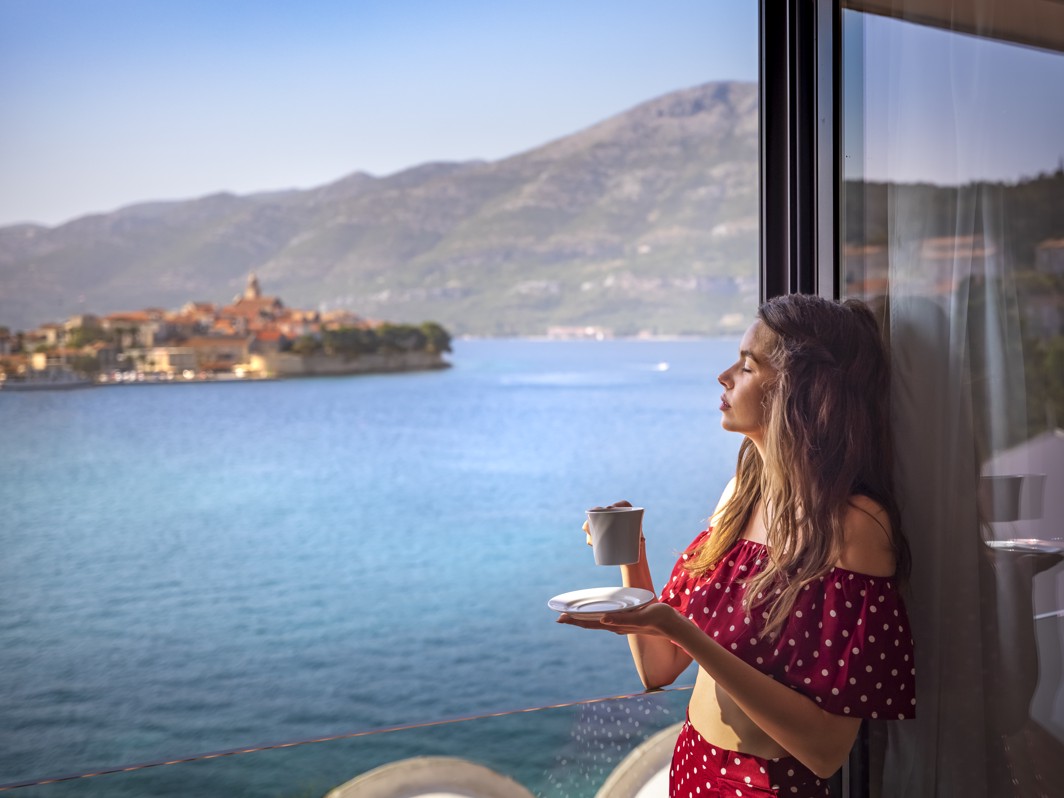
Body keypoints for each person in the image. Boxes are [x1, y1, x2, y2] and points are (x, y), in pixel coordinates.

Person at [558, 294, 916, 798]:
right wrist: (630, 553)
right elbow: (658, 668)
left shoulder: (855, 528)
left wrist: (684, 631)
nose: (723, 376)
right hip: (691, 765)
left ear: (801, 390)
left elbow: (825, 751)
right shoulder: (741, 497)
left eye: (747, 366)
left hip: (765, 787)